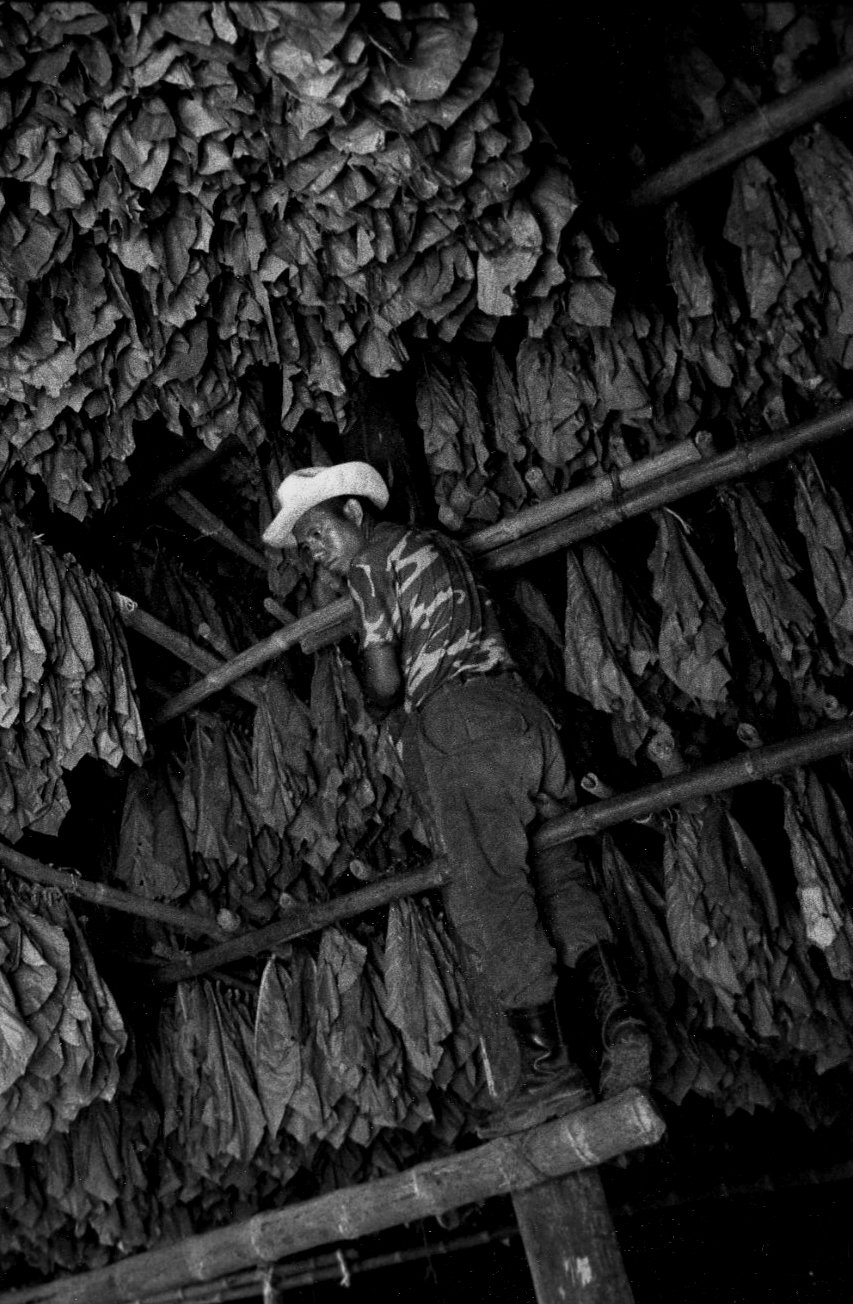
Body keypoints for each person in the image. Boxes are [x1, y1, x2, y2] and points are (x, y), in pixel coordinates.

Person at [263, 462, 651, 1137]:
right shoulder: (440, 548)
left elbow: (384, 685)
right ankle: (619, 1019)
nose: (317, 550)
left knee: (488, 888)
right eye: (307, 545)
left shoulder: (371, 563)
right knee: (555, 871)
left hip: (461, 724)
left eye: (319, 531)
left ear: (354, 512)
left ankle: (549, 1068)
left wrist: (366, 675)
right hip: (526, 719)